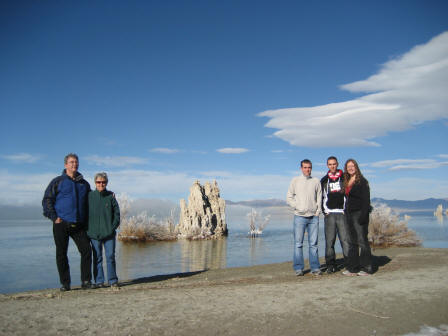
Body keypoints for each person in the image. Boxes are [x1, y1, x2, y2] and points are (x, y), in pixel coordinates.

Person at [42, 153, 92, 291]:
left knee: (86, 251)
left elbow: (92, 200)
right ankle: (65, 283)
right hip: (61, 223)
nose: (74, 164)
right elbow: (47, 200)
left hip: (79, 224)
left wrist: (108, 194)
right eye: (71, 162)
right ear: (65, 165)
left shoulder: (84, 184)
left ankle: (86, 281)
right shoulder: (57, 181)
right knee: (61, 253)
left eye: (76, 162)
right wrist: (54, 217)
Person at [286, 159, 322, 276]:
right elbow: (289, 197)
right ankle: (298, 268)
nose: (307, 169)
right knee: (298, 243)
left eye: (309, 167)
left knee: (313, 244)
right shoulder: (295, 181)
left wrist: (317, 211)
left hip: (313, 217)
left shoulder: (316, 181)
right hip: (299, 217)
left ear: (311, 168)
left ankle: (315, 267)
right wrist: (298, 206)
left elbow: (319, 197)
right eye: (305, 167)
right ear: (301, 168)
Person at [87, 172, 120, 288]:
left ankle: (112, 280)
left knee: (110, 256)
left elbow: (117, 214)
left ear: (106, 183)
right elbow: (84, 214)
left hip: (109, 234)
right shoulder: (89, 196)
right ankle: (99, 281)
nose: (101, 184)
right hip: (93, 234)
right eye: (98, 182)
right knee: (97, 258)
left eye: (103, 182)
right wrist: (88, 229)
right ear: (95, 183)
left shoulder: (110, 197)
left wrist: (112, 227)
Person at [342, 159, 373, 276]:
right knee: (351, 241)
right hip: (348, 214)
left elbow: (366, 200)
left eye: (352, 166)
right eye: (348, 166)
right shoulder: (347, 181)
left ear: (356, 167)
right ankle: (353, 268)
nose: (350, 168)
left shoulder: (362, 181)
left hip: (359, 213)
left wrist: (364, 216)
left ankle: (367, 268)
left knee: (362, 241)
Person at [321, 156, 349, 274]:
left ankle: (349, 263)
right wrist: (325, 211)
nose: (332, 166)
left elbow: (348, 195)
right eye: (330, 164)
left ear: (337, 164)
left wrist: (346, 210)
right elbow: (321, 197)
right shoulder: (324, 180)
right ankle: (331, 265)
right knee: (329, 241)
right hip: (330, 215)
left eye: (334, 164)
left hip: (342, 214)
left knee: (345, 240)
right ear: (327, 165)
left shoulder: (344, 178)